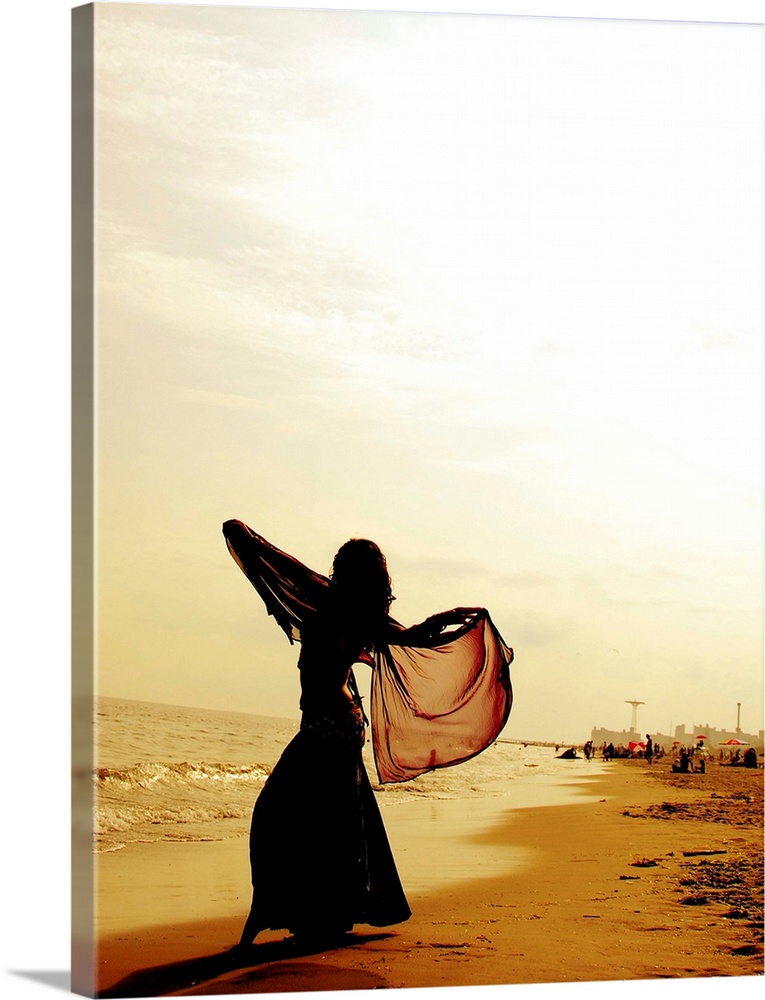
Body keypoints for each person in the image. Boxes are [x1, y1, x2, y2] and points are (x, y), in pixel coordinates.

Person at [223, 522, 513, 947]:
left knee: (279, 815)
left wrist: (449, 622)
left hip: (330, 728)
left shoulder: (339, 613)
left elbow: (411, 637)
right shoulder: (352, 615)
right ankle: (321, 915)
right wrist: (446, 620)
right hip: (336, 725)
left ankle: (293, 914)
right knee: (329, 821)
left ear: (344, 573)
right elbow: (413, 635)